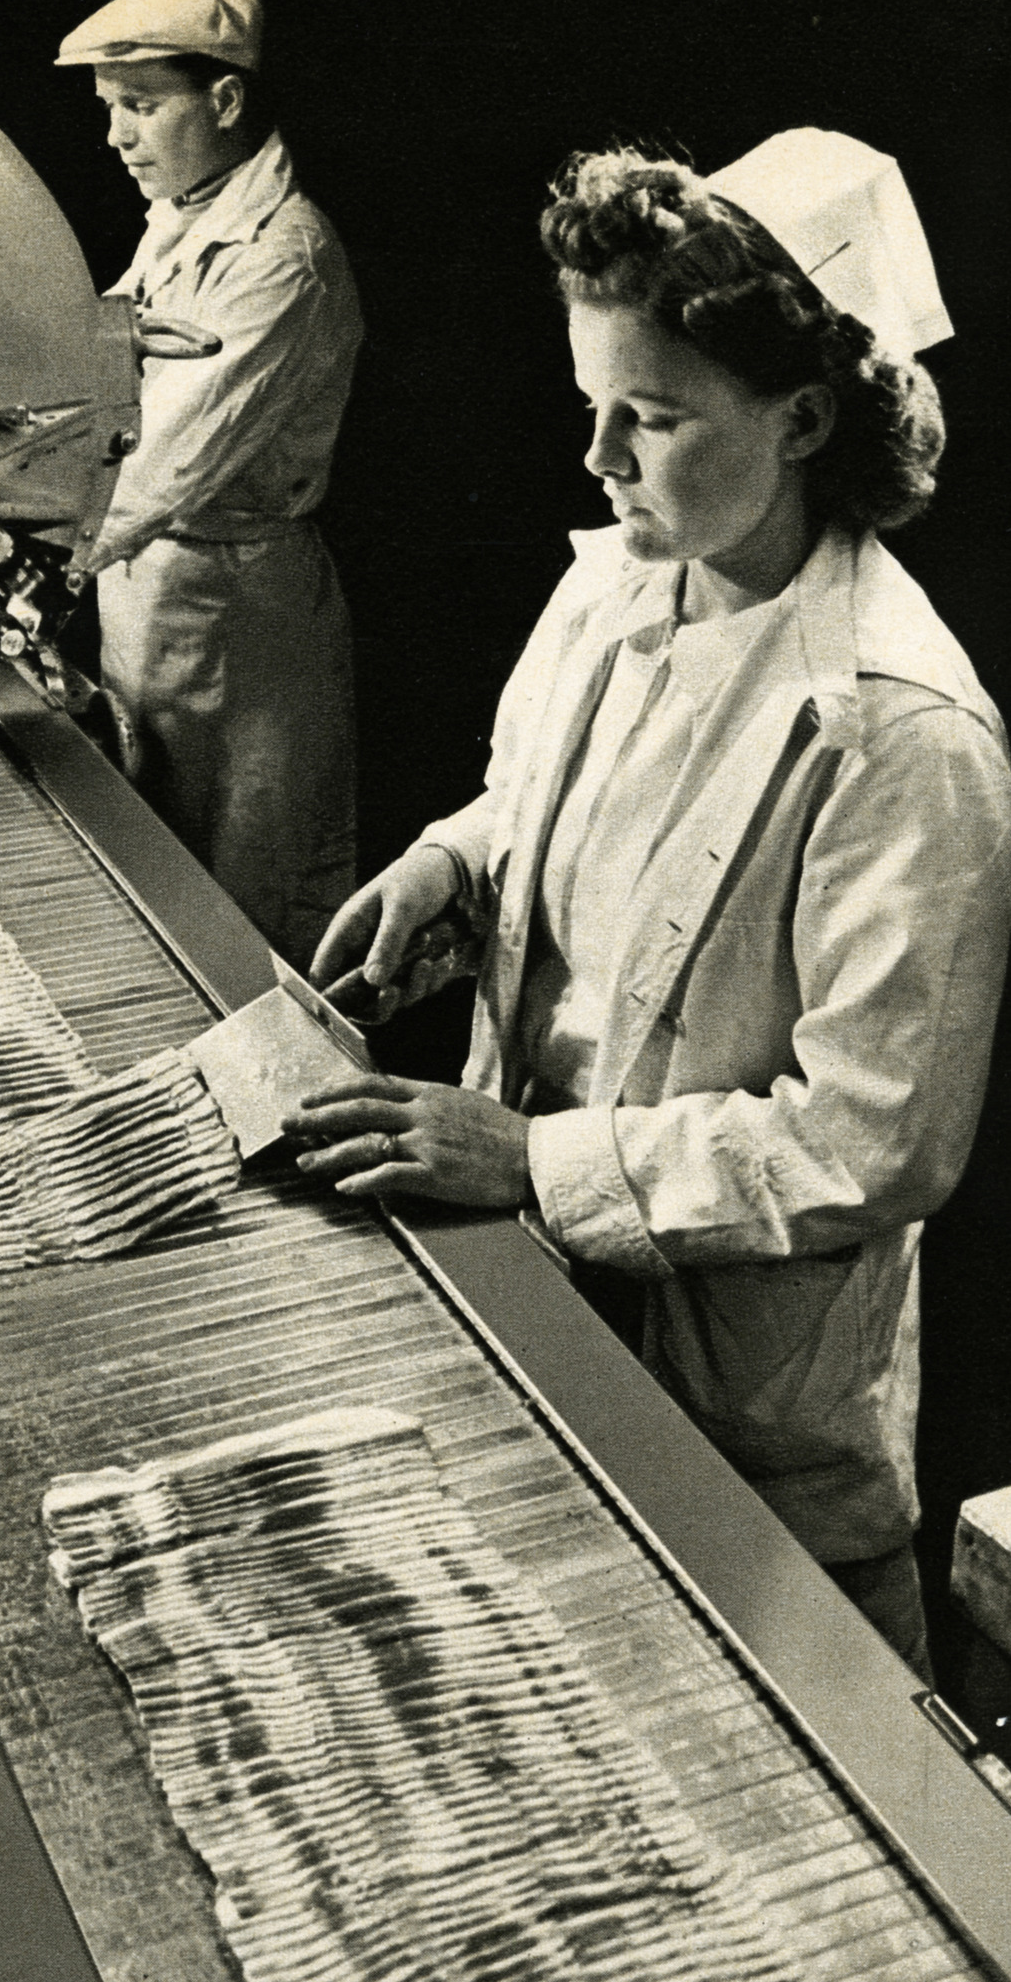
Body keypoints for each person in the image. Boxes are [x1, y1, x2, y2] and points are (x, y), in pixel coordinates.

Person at [283, 129, 1011, 1679]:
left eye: (654, 419)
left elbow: (873, 1138)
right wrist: (452, 867)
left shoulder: (899, 732)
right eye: (593, 411)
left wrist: (533, 1161)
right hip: (537, 1286)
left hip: (745, 1407)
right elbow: (549, 804)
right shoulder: (616, 581)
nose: (600, 461)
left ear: (805, 416)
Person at [56, 0, 363, 969]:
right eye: (108, 108)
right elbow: (85, 362)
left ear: (224, 102)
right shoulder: (184, 217)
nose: (116, 136)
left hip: (235, 617)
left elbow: (164, 465)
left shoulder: (284, 258)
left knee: (243, 910)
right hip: (151, 595)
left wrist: (5, 573)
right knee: (159, 873)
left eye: (140, 107)